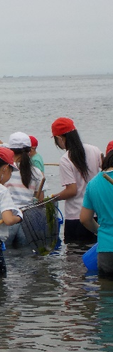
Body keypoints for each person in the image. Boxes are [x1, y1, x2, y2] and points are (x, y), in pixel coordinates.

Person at [51, 117, 102, 242]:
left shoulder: (65, 159)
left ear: (60, 138)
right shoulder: (94, 150)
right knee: (95, 254)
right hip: (96, 214)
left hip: (76, 217)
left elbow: (72, 190)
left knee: (75, 255)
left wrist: (54, 197)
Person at [4, 132, 45, 247]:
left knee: (7, 258)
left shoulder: (4, 170)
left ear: (10, 150)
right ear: (29, 151)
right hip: (28, 222)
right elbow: (40, 201)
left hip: (7, 219)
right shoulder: (37, 172)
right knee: (25, 259)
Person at [80, 141, 113, 276]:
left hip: (106, 249)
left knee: (106, 293)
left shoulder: (93, 183)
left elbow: (85, 219)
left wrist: (101, 232)